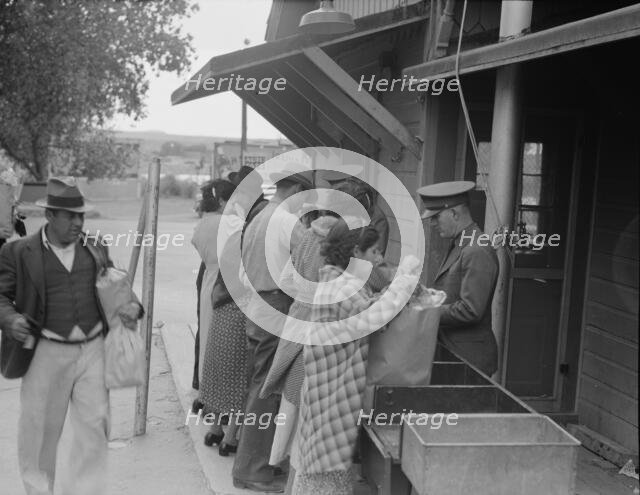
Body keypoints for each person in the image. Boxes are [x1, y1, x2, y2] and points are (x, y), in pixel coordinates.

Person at [0, 177, 142, 495]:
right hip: (45, 351)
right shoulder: (18, 252)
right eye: (71, 216)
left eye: (82, 216)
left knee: (94, 427)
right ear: (50, 216)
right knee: (40, 431)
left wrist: (132, 307)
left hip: (93, 348)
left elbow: (115, 284)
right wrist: (10, 320)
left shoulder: (95, 246)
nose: (78, 222)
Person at [292, 221, 419, 494]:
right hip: (330, 395)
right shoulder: (340, 287)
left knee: (328, 471)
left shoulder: (339, 281)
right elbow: (374, 317)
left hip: (330, 392)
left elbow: (369, 306)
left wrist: (396, 287)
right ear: (356, 253)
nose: (380, 258)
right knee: (323, 476)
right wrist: (404, 282)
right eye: (374, 251)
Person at [232, 169, 312, 493]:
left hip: (257, 303)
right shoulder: (287, 221)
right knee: (268, 389)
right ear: (293, 188)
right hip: (277, 304)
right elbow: (311, 264)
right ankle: (253, 469)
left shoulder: (259, 217)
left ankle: (255, 464)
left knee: (260, 384)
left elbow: (240, 272)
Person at [199, 168, 266, 455]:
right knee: (240, 374)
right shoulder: (245, 229)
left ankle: (215, 428)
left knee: (217, 370)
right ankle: (231, 437)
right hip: (240, 308)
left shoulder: (224, 227)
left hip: (220, 303)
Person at [418, 181, 499, 376]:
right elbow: (451, 292)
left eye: (437, 217)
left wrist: (426, 309)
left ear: (454, 213)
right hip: (454, 352)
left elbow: (470, 310)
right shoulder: (461, 242)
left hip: (469, 359)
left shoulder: (476, 250)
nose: (434, 224)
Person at [191, 179, 236, 404]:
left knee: (206, 334)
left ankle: (204, 391)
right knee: (222, 344)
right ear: (221, 200)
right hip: (226, 283)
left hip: (208, 280)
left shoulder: (203, 223)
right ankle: (218, 395)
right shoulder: (229, 223)